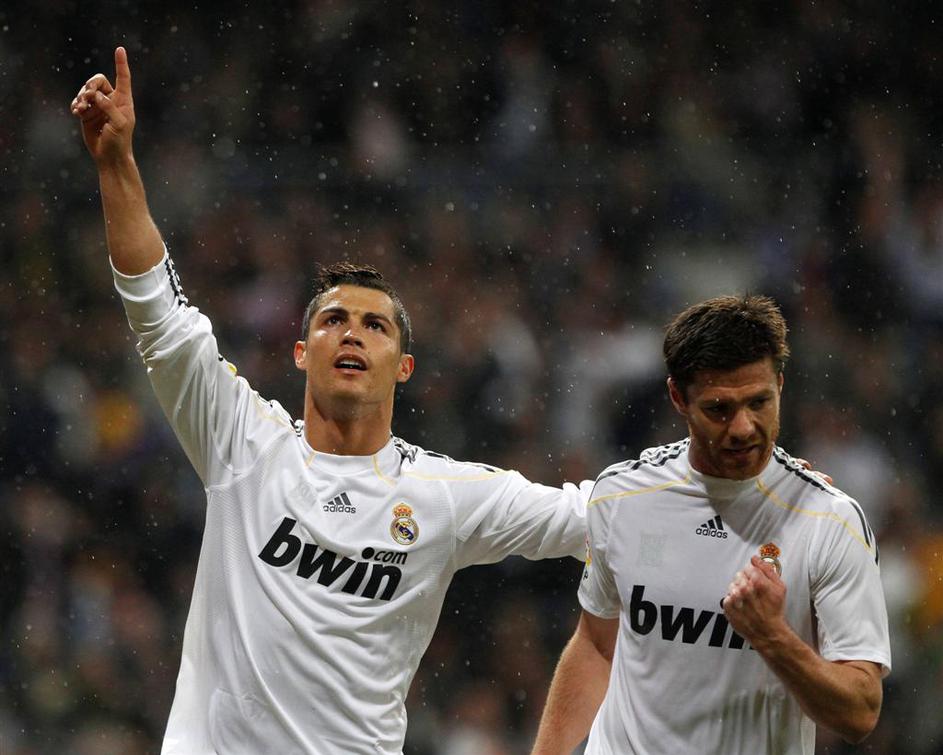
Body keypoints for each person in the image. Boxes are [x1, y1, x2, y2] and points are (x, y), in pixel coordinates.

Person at [71, 48, 591, 754]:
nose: (352, 333)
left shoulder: (443, 495)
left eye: (375, 326)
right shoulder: (242, 441)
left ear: (403, 366)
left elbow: (590, 516)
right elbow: (158, 316)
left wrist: (725, 476)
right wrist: (116, 166)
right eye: (333, 320)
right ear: (301, 351)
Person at [531, 295, 891, 755]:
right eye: (720, 409)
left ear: (780, 385)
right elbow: (597, 645)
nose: (742, 427)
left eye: (759, 402)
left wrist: (772, 636)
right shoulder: (621, 496)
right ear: (678, 398)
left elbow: (860, 712)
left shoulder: (830, 521)